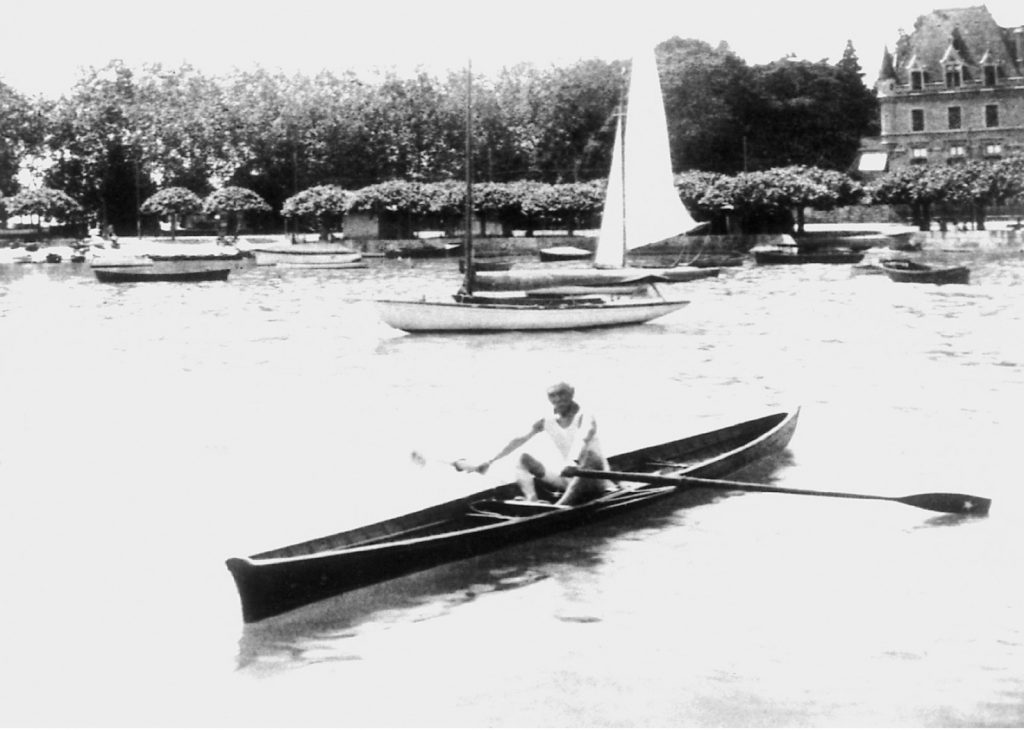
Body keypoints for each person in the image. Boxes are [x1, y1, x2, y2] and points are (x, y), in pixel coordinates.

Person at [458, 381, 615, 506]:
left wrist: (573, 462)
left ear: (572, 394)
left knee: (590, 458)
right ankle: (532, 500)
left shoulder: (586, 416)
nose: (558, 399)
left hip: (596, 480)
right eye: (553, 396)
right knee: (522, 458)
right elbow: (518, 439)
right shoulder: (546, 420)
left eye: (562, 394)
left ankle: (558, 508)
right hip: (568, 478)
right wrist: (489, 461)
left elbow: (583, 438)